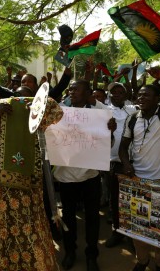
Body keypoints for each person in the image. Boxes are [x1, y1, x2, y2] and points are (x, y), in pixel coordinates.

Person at [0, 65, 62, 270]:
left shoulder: (17, 108)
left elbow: (55, 111)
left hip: (23, 190)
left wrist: (27, 102)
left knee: (30, 238)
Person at [118, 66, 160, 271]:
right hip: (138, 182)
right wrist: (127, 165)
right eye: (139, 95)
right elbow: (122, 148)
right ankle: (142, 260)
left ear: (157, 99)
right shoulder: (132, 119)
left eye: (147, 95)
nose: (141, 98)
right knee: (139, 227)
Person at [53, 80, 107, 271]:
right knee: (68, 217)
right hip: (66, 177)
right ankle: (70, 251)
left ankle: (92, 255)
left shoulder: (99, 112)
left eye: (76, 89)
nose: (72, 91)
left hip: (90, 176)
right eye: (71, 88)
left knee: (92, 218)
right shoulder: (58, 112)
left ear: (88, 93)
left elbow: (107, 137)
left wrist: (111, 129)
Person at [104, 82, 137, 248]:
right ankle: (116, 232)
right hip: (113, 162)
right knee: (115, 200)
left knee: (131, 200)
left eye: (120, 92)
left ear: (125, 95)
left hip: (131, 162)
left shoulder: (134, 110)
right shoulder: (104, 111)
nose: (116, 95)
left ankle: (131, 236)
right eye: (113, 92)